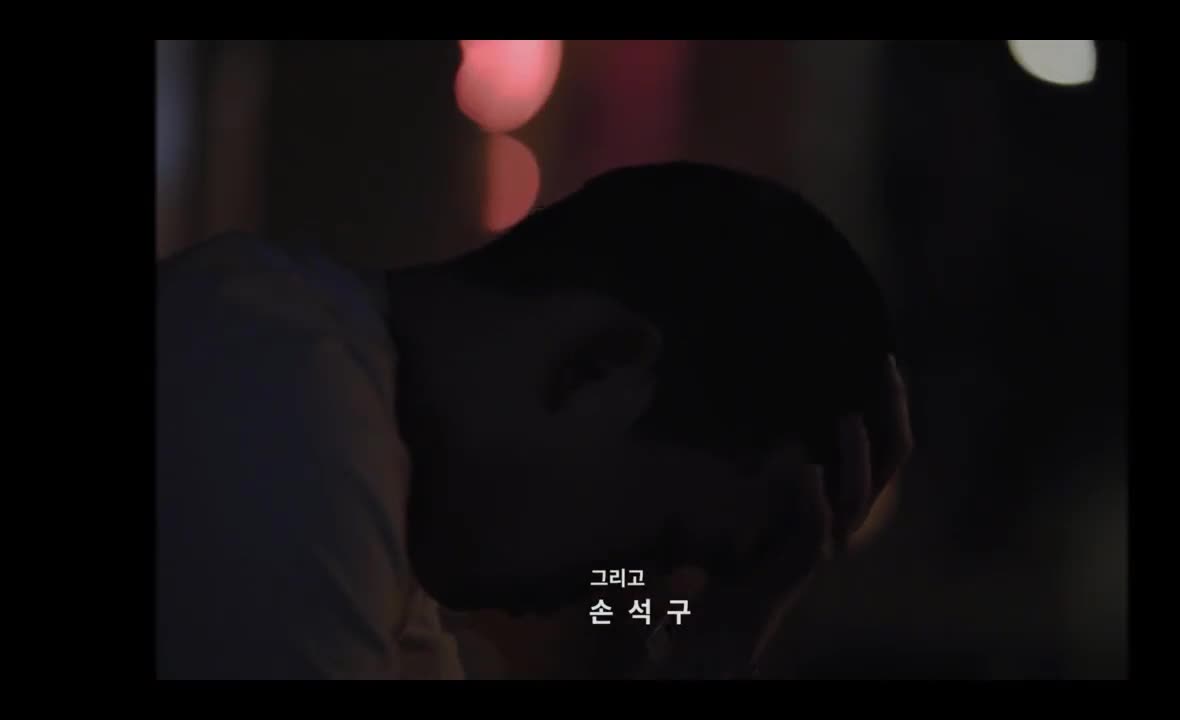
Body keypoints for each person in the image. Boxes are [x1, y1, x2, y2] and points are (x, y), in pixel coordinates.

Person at [156, 160, 912, 680]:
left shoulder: (357, 470)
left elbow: (634, 603)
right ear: (598, 368)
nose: (614, 586)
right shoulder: (289, 424)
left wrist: (721, 634)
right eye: (661, 541)